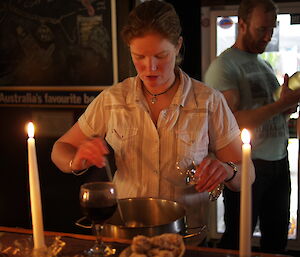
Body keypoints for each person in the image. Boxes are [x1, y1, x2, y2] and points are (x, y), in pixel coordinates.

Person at [51, 0, 254, 245]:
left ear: (178, 46)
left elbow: (247, 174)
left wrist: (228, 170)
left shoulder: (208, 101)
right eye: (139, 57)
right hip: (125, 235)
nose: (150, 67)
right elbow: (59, 150)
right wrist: (77, 159)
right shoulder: (113, 99)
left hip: (185, 238)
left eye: (161, 55)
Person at [205, 0, 300, 253]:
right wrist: (280, 106)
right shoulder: (224, 66)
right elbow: (231, 122)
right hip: (248, 167)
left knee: (276, 241)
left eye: (272, 29)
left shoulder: (264, 65)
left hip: (279, 163)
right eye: (262, 29)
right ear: (243, 25)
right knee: (238, 241)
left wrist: (287, 106)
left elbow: (271, 114)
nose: (268, 36)